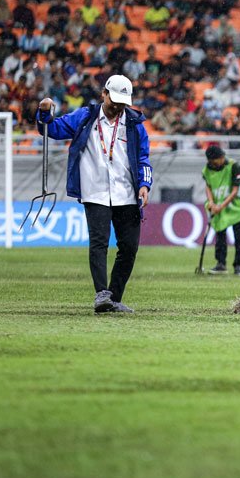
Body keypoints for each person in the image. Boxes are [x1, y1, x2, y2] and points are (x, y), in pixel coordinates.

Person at [36, 75, 152, 314]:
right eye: (114, 100)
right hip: (95, 191)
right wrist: (44, 113)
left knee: (129, 247)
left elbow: (143, 158)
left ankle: (115, 298)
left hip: (127, 193)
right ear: (104, 94)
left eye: (123, 102)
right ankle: (102, 294)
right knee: (98, 243)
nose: (118, 106)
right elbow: (53, 129)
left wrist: (144, 185)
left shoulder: (134, 123)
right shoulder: (85, 117)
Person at [202, 145, 240, 276]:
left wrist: (221, 206)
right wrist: (211, 202)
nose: (222, 160)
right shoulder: (207, 169)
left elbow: (235, 190)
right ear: (211, 160)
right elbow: (208, 186)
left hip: (237, 206)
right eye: (218, 159)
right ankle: (221, 264)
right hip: (218, 205)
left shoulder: (234, 166)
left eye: (222, 157)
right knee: (220, 234)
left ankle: (238, 265)